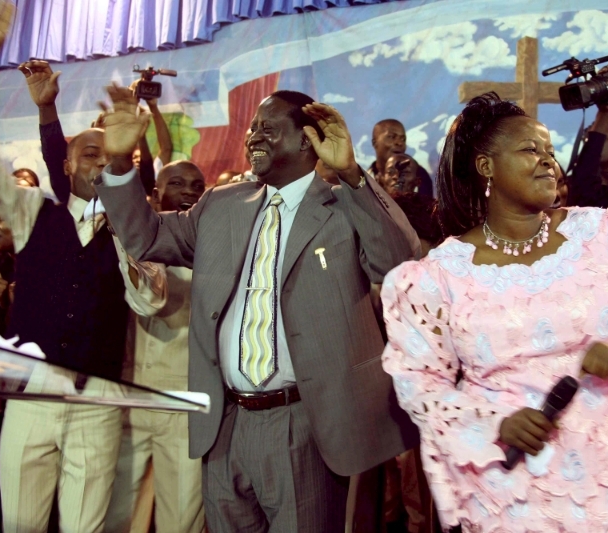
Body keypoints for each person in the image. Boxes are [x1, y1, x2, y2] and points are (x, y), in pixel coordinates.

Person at [380, 93, 608, 532]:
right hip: (511, 487)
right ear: (486, 167)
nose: (548, 162)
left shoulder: (603, 233)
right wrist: (494, 423)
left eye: (551, 152)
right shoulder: (440, 275)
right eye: (530, 150)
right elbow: (422, 385)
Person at [95, 86, 421, 532]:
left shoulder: (343, 203)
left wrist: (352, 174)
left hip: (305, 425)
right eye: (252, 128)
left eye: (268, 128)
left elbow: (399, 261)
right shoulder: (221, 204)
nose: (253, 136)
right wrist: (118, 165)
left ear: (309, 139)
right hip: (224, 425)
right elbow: (147, 238)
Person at [0, 20, 168, 531]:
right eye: (91, 153)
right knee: (20, 522)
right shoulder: (30, 215)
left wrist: (125, 223)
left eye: (112, 154)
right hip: (34, 391)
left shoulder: (139, 230)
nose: (101, 161)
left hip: (99, 398)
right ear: (64, 166)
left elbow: (150, 302)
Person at [106, 160, 207, 533]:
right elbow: (150, 298)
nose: (188, 191)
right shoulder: (130, 243)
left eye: (198, 186)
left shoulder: (213, 251)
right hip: (127, 401)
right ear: (154, 194)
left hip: (185, 405)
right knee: (116, 517)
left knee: (180, 521)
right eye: (177, 183)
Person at [18, 60, 162, 201]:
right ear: (67, 167)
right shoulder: (60, 215)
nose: (104, 162)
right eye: (91, 155)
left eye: (112, 157)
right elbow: (55, 155)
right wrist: (46, 107)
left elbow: (145, 176)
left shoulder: (135, 218)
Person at [369, 119, 433, 196]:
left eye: (403, 139)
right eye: (391, 137)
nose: (399, 143)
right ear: (374, 143)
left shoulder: (420, 174)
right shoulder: (362, 178)